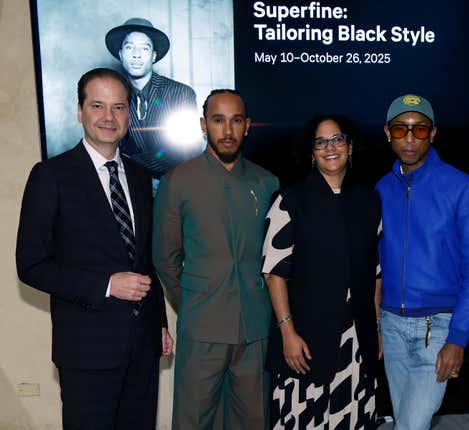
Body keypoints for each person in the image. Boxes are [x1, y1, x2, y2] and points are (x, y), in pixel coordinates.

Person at [16, 68, 172, 429]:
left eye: (118, 107)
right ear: (80, 111)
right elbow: (31, 265)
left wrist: (159, 322)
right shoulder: (51, 176)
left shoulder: (138, 175)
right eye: (98, 105)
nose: (108, 117)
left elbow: (144, 259)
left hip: (143, 347)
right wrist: (106, 285)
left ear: (129, 115)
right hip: (87, 351)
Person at [153, 89, 279, 429]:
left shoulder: (267, 182)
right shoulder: (177, 182)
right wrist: (194, 302)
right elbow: (165, 258)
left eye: (236, 121)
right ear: (203, 125)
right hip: (202, 326)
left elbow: (275, 258)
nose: (227, 130)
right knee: (194, 419)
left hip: (255, 327)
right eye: (218, 120)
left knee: (254, 419)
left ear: (248, 126)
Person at [376, 94, 469, 429]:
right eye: (401, 129)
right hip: (392, 327)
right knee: (407, 422)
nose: (410, 138)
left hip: (439, 329)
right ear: (388, 133)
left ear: (433, 133)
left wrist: (458, 337)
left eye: (419, 129)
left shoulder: (460, 187)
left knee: (410, 425)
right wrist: (377, 325)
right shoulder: (381, 190)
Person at [262, 115, 381, 429]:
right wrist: (287, 333)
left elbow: (376, 273)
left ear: (350, 147)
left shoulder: (369, 201)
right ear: (311, 152)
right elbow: (274, 273)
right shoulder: (290, 201)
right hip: (305, 341)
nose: (330, 147)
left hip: (356, 341)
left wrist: (377, 329)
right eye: (321, 141)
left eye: (337, 139)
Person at [105, 17, 201, 177]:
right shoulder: (110, 96)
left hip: (173, 185)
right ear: (121, 54)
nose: (136, 55)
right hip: (127, 186)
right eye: (129, 48)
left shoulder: (181, 93)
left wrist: (130, 161)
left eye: (144, 48)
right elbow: (106, 149)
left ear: (154, 56)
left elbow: (189, 151)